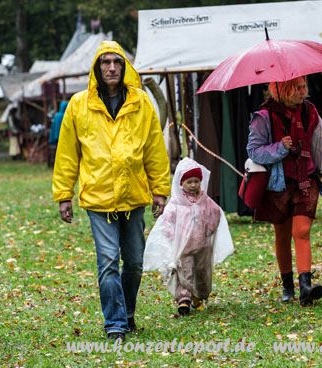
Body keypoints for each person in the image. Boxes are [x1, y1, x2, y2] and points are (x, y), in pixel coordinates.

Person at [52, 40, 171, 341]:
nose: (112, 67)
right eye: (105, 62)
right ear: (97, 68)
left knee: (134, 263)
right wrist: (64, 194)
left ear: (125, 67)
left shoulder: (141, 102)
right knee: (107, 262)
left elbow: (154, 148)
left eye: (117, 62)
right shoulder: (79, 104)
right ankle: (115, 324)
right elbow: (67, 153)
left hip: (134, 195)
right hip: (98, 196)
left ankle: (127, 313)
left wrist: (160, 189)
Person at [247, 76, 322, 307]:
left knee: (301, 231)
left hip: (306, 180)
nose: (303, 92)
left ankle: (305, 287)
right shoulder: (264, 116)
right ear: (284, 90)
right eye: (298, 88)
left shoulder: (310, 112)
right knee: (282, 236)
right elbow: (254, 151)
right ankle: (288, 286)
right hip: (278, 184)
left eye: (304, 87)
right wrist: (280, 147)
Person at [143, 158, 234, 316]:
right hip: (184, 248)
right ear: (181, 183)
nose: (193, 185)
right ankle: (183, 299)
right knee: (185, 272)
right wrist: (173, 237)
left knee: (201, 272)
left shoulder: (205, 201)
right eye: (189, 182)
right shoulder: (176, 203)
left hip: (203, 246)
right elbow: (167, 222)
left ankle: (198, 295)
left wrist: (209, 230)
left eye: (196, 181)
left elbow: (215, 213)